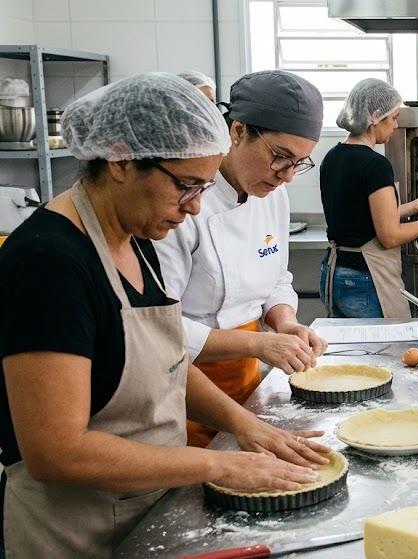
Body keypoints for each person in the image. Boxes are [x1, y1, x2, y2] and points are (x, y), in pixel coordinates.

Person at [0, 73, 330, 559]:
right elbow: (56, 452)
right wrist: (217, 467)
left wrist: (245, 426)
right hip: (76, 529)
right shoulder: (48, 262)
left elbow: (167, 363)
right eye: (186, 186)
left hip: (146, 505)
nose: (196, 208)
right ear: (119, 160)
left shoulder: (135, 240)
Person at [155, 71, 327, 447]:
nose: (287, 176)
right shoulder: (181, 203)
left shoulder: (273, 194)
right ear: (237, 131)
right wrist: (257, 345)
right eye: (280, 157)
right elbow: (157, 328)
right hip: (182, 386)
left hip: (248, 381)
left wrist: (285, 323)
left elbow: (277, 275)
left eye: (299, 162)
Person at [319, 78, 418, 318]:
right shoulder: (375, 165)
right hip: (365, 278)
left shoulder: (333, 156)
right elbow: (390, 236)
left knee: (353, 353)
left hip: (334, 273)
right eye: (393, 118)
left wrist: (412, 207)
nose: (395, 125)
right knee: (384, 352)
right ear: (375, 116)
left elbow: (359, 215)